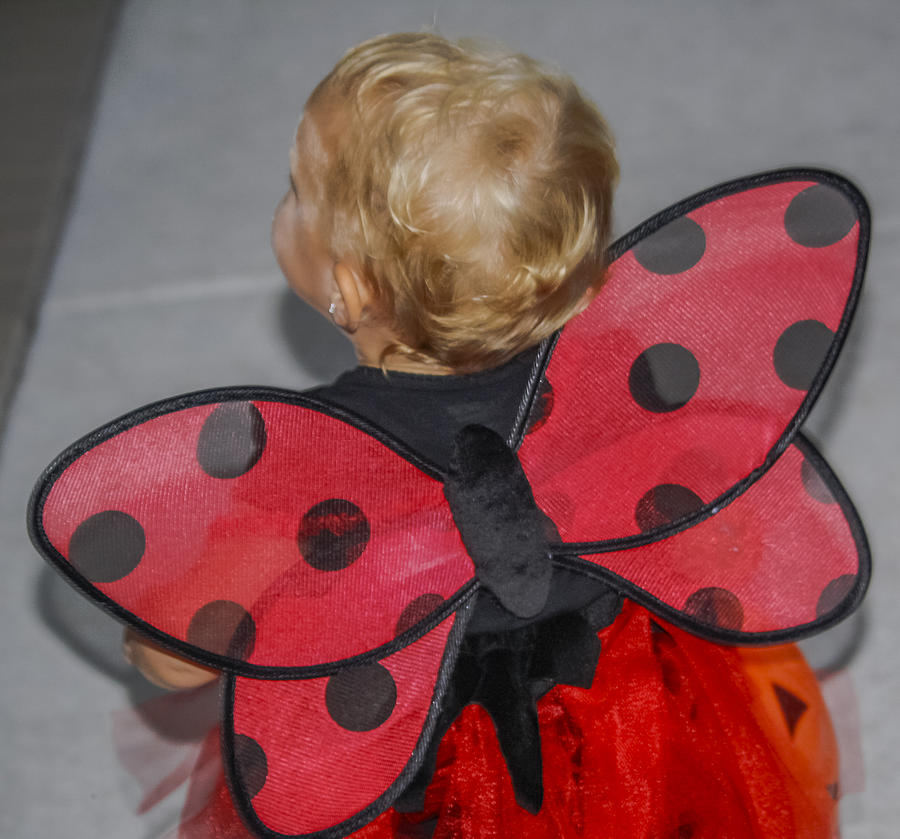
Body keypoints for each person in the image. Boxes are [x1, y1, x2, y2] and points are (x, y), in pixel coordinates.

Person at [121, 31, 840, 839]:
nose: (281, 204)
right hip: (624, 710)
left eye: (294, 191)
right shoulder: (622, 377)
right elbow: (708, 514)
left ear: (350, 290)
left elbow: (187, 646)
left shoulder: (311, 463)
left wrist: (148, 637)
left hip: (406, 750)